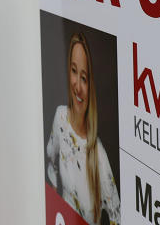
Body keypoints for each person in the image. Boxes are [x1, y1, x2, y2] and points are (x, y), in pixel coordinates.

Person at [46, 33, 121, 225]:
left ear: (92, 87)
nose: (77, 86)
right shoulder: (60, 117)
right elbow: (51, 166)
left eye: (84, 78)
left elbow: (117, 219)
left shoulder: (99, 156)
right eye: (73, 71)